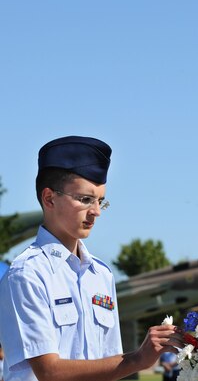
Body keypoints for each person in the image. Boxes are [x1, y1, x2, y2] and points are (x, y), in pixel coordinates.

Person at [0, 136, 184, 381]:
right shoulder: (28, 273)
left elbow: (108, 365)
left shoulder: (100, 274)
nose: (96, 211)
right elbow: (49, 372)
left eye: (100, 201)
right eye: (85, 199)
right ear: (49, 198)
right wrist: (137, 359)